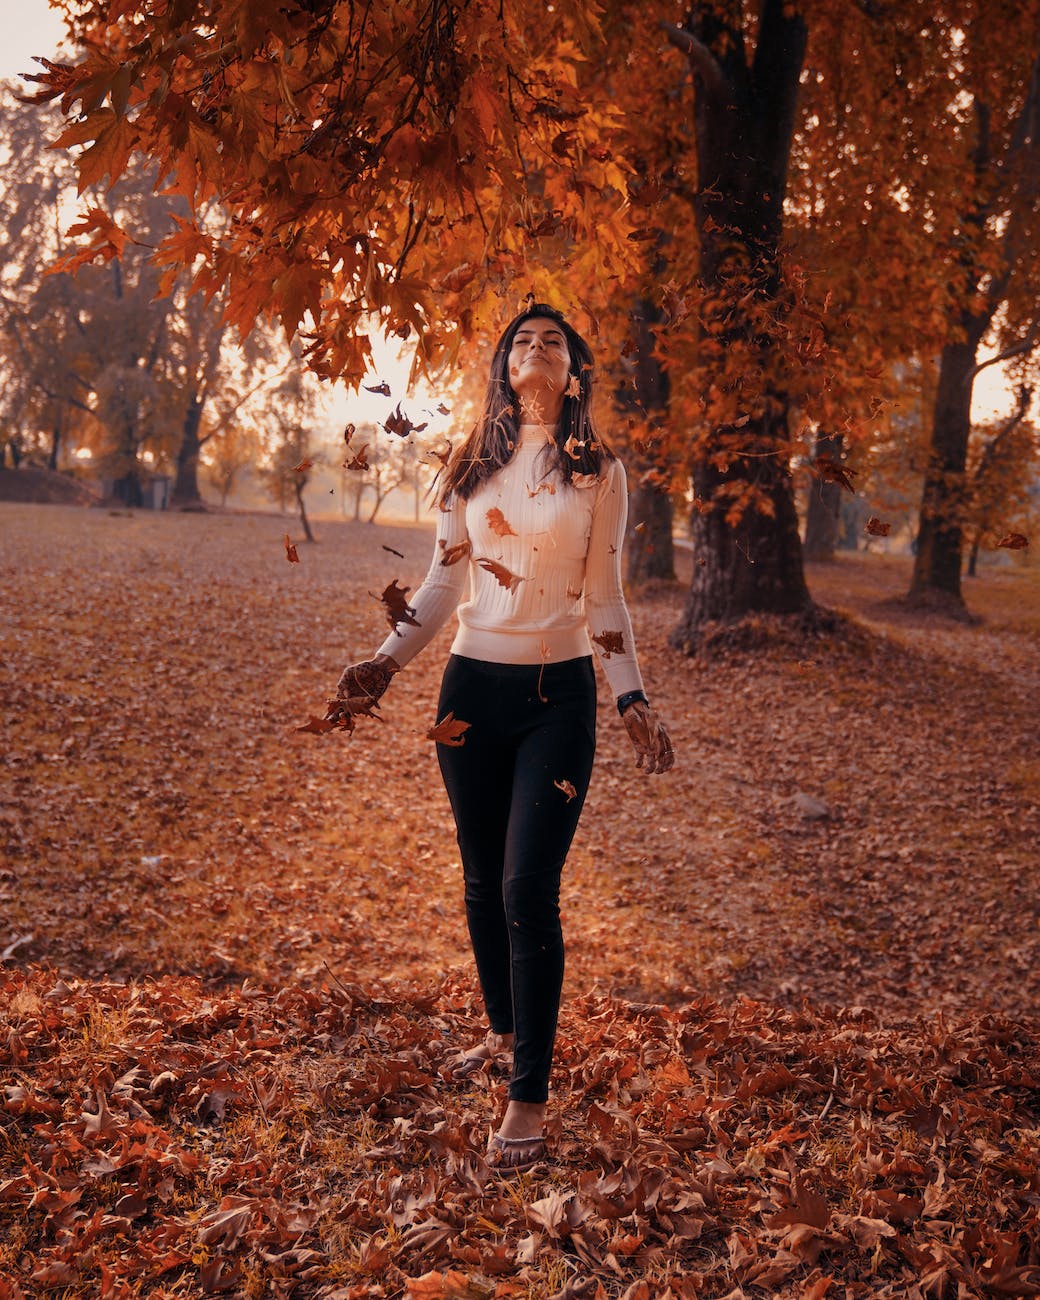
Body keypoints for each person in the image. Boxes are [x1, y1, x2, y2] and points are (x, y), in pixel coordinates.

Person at [332, 303, 674, 1173]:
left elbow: (607, 599)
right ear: (502, 366)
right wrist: (382, 665)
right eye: (521, 339)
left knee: (528, 886)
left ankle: (527, 1097)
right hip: (468, 692)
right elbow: (442, 589)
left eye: (552, 341)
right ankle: (502, 1030)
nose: (535, 348)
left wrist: (630, 695)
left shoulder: (600, 473)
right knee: (482, 880)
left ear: (574, 372)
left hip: (557, 696)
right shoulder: (468, 464)